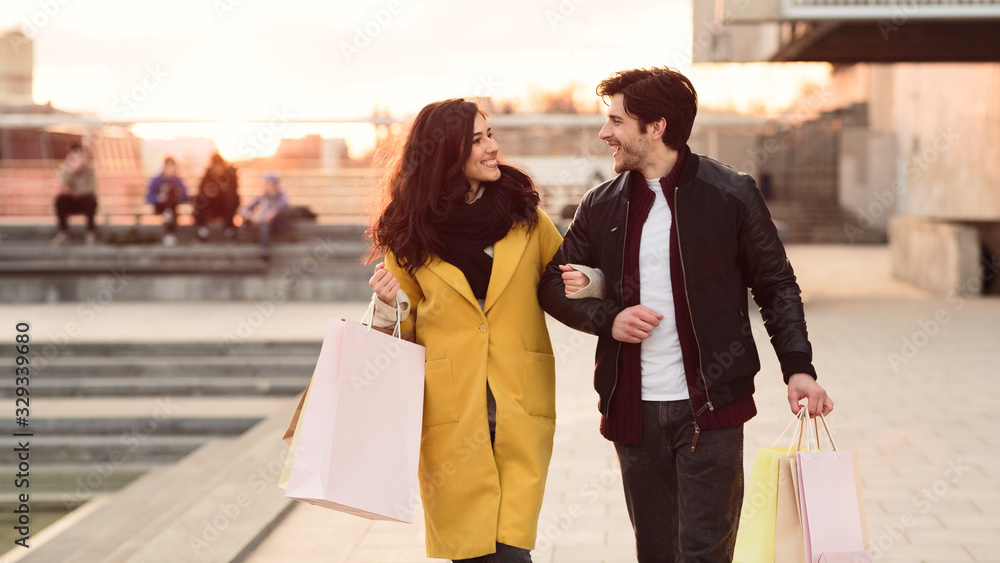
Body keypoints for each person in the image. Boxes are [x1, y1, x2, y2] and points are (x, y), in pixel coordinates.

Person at [536, 67, 834, 561]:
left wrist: (798, 367)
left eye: (615, 121)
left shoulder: (731, 194)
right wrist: (608, 318)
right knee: (656, 551)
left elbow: (776, 285)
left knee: (705, 553)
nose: (603, 133)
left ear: (656, 127)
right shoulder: (601, 204)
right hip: (633, 408)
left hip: (712, 411)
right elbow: (550, 283)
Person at [365, 98, 597, 562]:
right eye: (477, 140)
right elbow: (398, 338)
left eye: (489, 135)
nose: (493, 148)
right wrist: (388, 306)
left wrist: (589, 281)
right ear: (446, 154)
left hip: (517, 399)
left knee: (509, 547)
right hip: (453, 410)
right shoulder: (409, 235)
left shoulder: (526, 218)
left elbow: (571, 276)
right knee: (475, 552)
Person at [52, 144, 98, 245]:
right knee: (60, 201)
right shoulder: (65, 169)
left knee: (91, 200)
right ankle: (63, 233)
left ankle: (90, 232)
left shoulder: (90, 170)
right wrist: (72, 171)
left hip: (84, 202)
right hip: (70, 202)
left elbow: (91, 188)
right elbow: (63, 187)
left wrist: (74, 191)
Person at [193, 153, 240, 241]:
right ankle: (202, 229)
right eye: (215, 166)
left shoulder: (230, 174)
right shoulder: (208, 174)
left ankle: (229, 229)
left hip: (225, 206)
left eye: (219, 166)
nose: (217, 169)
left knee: (230, 197)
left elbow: (234, 191)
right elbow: (202, 190)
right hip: (211, 205)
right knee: (199, 199)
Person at [145, 156, 189, 246]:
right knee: (168, 205)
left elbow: (185, 196)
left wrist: (178, 194)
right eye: (168, 167)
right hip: (160, 206)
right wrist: (158, 198)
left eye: (172, 167)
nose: (170, 170)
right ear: (164, 167)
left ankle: (170, 234)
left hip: (173, 206)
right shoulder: (156, 180)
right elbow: (148, 197)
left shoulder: (178, 180)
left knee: (171, 201)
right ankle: (170, 234)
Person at [240, 173, 289, 254]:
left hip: (279, 224)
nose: (264, 185)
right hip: (266, 223)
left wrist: (271, 214)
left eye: (266, 183)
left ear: (272, 184)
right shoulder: (263, 196)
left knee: (264, 222)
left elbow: (279, 208)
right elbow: (249, 207)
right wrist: (247, 213)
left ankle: (265, 250)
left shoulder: (281, 196)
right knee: (260, 221)